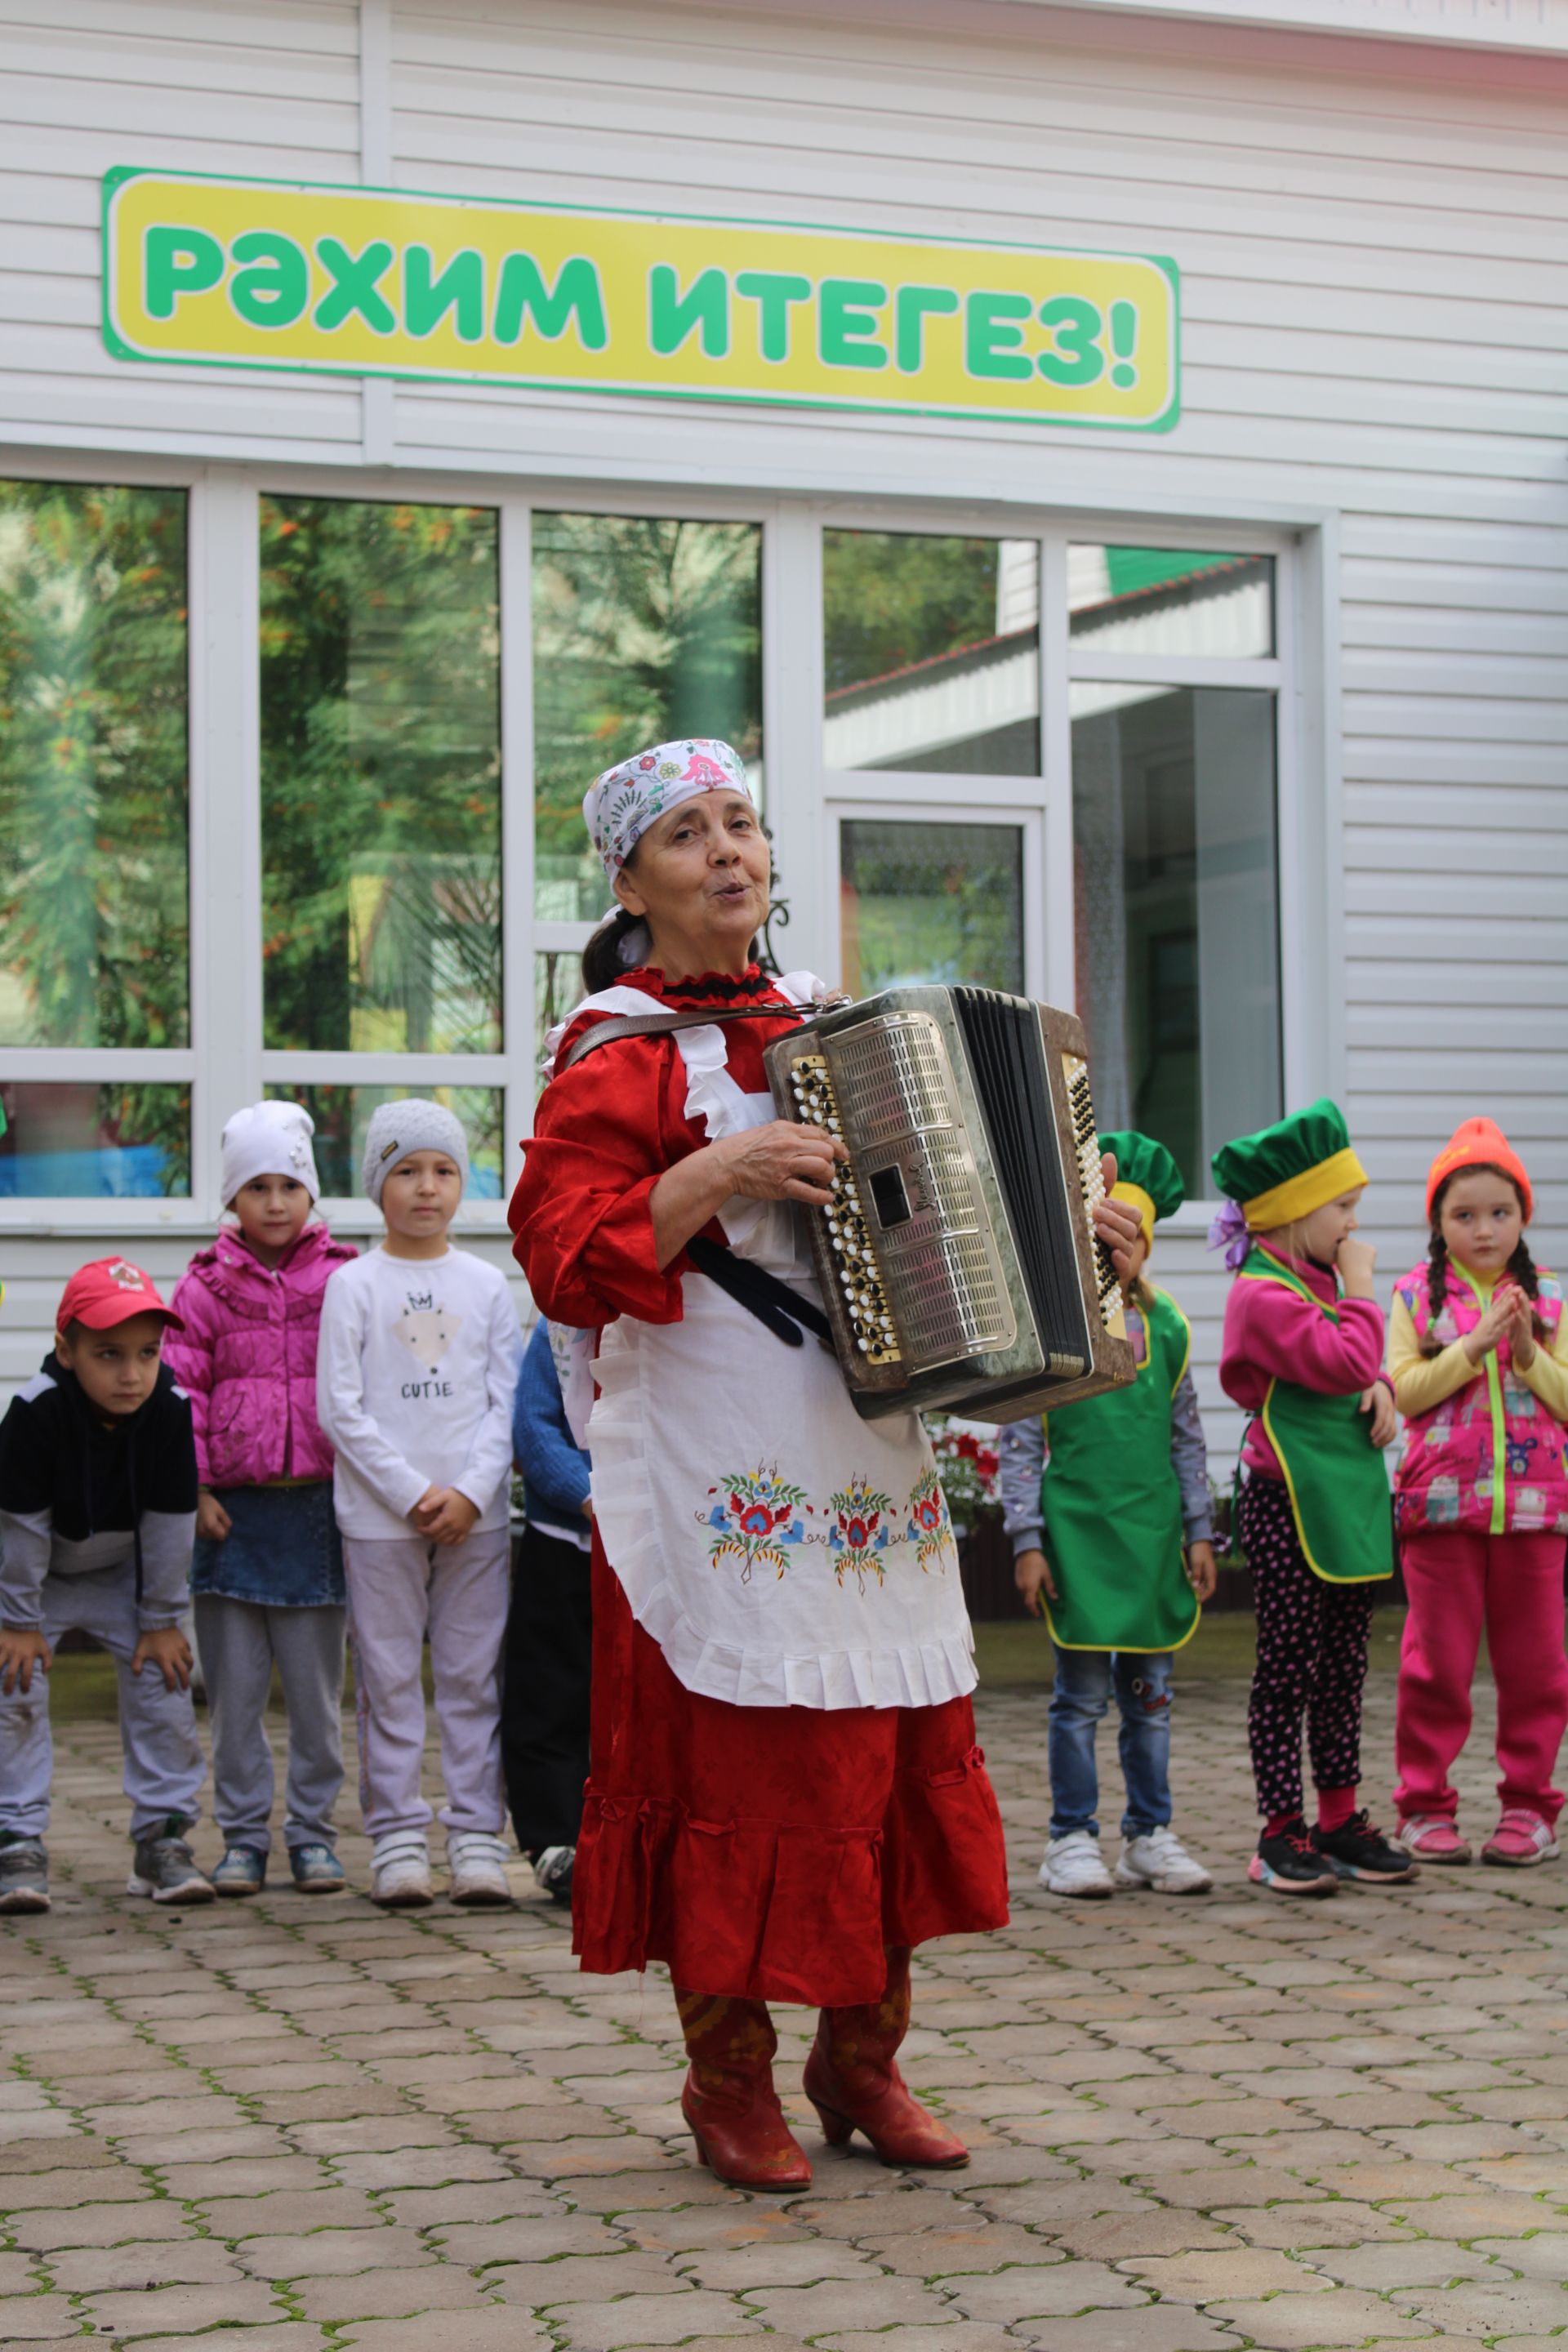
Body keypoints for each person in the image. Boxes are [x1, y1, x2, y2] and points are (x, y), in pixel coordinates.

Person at [510, 736, 1142, 2193]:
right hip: (708, 1445)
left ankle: (863, 2062)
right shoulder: (608, 1049)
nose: (729, 851)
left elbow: (984, 1210)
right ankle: (725, 2079)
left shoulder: (849, 1028)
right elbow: (557, 1252)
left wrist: (1096, 1242)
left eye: (744, 825)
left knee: (885, 1739)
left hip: (864, 1441)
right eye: (689, 834)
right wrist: (716, 1172)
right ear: (631, 880)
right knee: (737, 1745)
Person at [316, 1101, 523, 1910]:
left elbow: (504, 1402)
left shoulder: (485, 1286)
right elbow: (341, 1407)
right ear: (377, 1184)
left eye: (441, 1170)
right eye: (405, 1170)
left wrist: (471, 1491)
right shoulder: (352, 1285)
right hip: (380, 1521)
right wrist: (409, 1493)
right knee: (391, 1675)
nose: (425, 1188)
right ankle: (398, 1838)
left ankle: (476, 1837)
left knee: (473, 1675)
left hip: (476, 1521)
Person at [1006, 1131, 1217, 1900]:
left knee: (1151, 1704)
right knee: (1079, 1702)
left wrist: (1201, 1531)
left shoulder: (1169, 1331)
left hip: (1154, 1544)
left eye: (1128, 1242)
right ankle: (1070, 1838)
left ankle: (1149, 1834)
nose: (1113, 1257)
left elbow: (1187, 1439)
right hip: (1079, 1545)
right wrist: (1027, 1541)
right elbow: (1024, 1439)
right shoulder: (1057, 1330)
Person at [1213, 1101, 1414, 1897]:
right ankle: (1277, 1833)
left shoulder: (1320, 1280)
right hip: (1286, 1505)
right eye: (1342, 1207)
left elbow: (1362, 1372)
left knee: (1341, 1668)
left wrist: (1388, 1392)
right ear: (1294, 1213)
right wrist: (1366, 1294)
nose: (1352, 1224)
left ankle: (1337, 1818)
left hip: (1345, 1503)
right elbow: (1342, 1358)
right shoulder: (1260, 1295)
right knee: (1287, 1670)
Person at [164, 1101, 357, 1897]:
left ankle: (312, 1835)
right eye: (256, 1187)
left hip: (317, 1511)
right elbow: (183, 1393)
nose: (275, 1203)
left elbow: (363, 1387)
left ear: (312, 1194)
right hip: (229, 1516)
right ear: (231, 1200)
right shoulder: (203, 1288)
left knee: (315, 1697)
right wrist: (196, 1487)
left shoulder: (346, 1277)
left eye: (289, 1185)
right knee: (235, 1697)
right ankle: (242, 1837)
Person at [0, 1258, 213, 1912]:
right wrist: (18, 1622)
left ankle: (163, 1837)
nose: (131, 1375)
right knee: (15, 1684)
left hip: (131, 1573)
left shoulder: (170, 1409)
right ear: (66, 1349)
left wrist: (161, 1619)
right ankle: (16, 1840)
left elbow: (171, 1522)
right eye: (109, 1354)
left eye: (148, 1354)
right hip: (39, 1578)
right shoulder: (33, 1414)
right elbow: (21, 1528)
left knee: (166, 1681)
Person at [1388, 1118, 1568, 1868]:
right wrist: (1473, 1346)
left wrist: (1526, 1352)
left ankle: (1529, 1807)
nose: (1484, 1229)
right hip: (1440, 1515)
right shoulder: (1412, 1297)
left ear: (1523, 1216)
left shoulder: (1552, 1298)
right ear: (1438, 1223)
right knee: (1436, 1666)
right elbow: (1404, 1390)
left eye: (1500, 1212)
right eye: (1464, 1215)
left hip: (1538, 1515)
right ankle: (1424, 1806)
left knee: (1536, 1668)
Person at [501, 1316, 594, 1908]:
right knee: (550, 1690)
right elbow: (534, 1428)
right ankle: (555, 1840)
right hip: (566, 1535)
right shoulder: (556, 1331)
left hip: (657, 1544)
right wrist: (589, 1495)